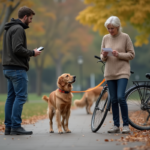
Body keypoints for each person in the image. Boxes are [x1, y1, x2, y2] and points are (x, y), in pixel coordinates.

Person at [2, 6, 41, 135]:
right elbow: (17, 49)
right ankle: (16, 126)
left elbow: (15, 48)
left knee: (11, 97)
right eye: (30, 18)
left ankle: (8, 127)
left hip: (8, 68)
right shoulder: (18, 29)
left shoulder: (9, 28)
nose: (31, 21)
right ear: (25, 17)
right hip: (17, 69)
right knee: (21, 96)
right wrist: (32, 52)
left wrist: (30, 52)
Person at [100, 16, 135, 134]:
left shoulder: (125, 37)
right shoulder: (105, 38)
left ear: (118, 26)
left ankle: (125, 125)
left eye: (112, 28)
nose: (110, 30)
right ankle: (116, 125)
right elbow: (102, 57)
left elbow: (131, 54)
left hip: (122, 72)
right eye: (108, 28)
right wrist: (104, 55)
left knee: (120, 97)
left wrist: (118, 54)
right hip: (110, 73)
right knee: (113, 99)